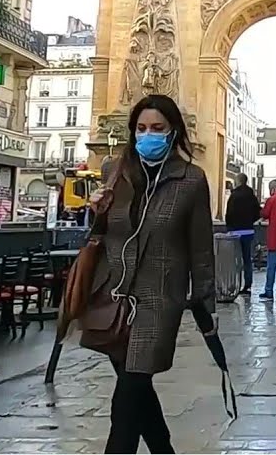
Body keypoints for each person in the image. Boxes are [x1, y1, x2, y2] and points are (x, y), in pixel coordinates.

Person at [90, 93, 216, 454]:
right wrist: (97, 212)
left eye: (157, 128)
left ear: (173, 131)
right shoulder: (113, 172)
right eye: (141, 128)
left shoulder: (191, 179)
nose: (148, 135)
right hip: (113, 299)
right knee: (137, 391)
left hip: (159, 301)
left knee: (126, 401)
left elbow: (201, 248)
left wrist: (205, 305)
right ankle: (164, 450)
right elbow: (99, 237)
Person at [224, 172, 260, 296]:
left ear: (238, 182)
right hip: (248, 230)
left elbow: (228, 213)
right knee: (247, 259)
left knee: (235, 260)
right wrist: (250, 221)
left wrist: (229, 227)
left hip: (235, 231)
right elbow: (257, 212)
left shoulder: (234, 196)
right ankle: (248, 285)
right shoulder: (251, 196)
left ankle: (234, 284)